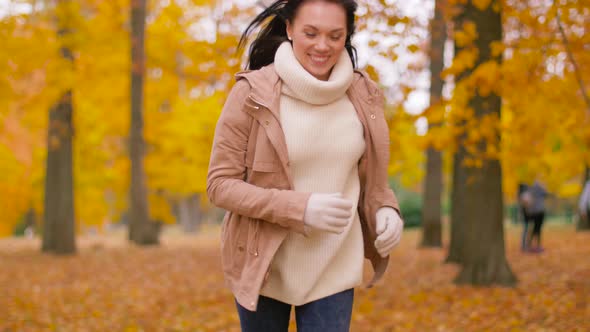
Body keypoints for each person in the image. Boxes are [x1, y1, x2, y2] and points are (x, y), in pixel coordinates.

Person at [206, 0, 404, 330]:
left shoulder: (364, 95)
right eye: (310, 33)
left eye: (335, 36)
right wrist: (300, 208)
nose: (322, 46)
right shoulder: (250, 94)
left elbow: (373, 181)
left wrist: (386, 209)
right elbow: (220, 185)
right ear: (289, 29)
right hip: (264, 266)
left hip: (334, 265)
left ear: (347, 36)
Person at [521, 180, 548, 252]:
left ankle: (533, 246)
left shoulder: (533, 186)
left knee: (535, 229)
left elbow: (545, 194)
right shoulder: (529, 186)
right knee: (533, 229)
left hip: (536, 211)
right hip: (534, 212)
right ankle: (529, 246)